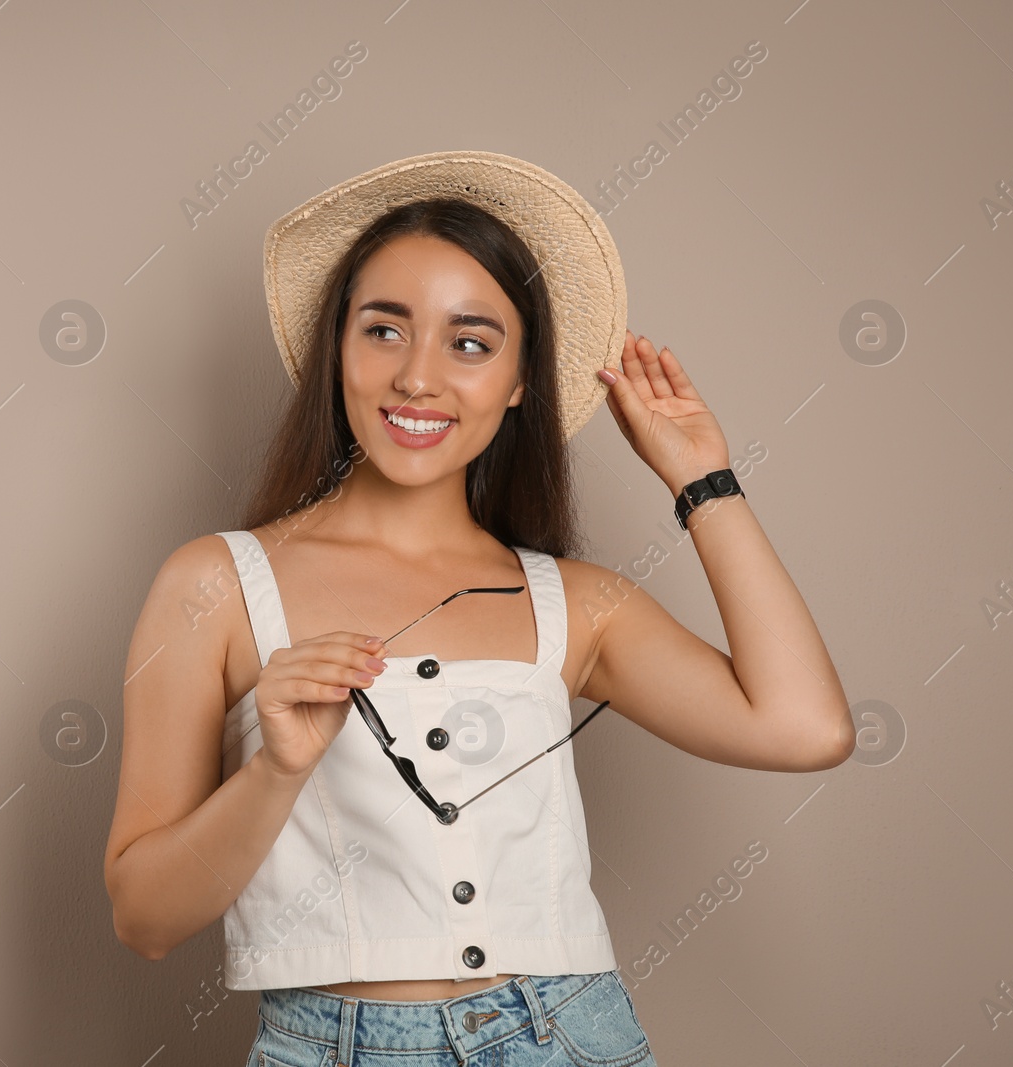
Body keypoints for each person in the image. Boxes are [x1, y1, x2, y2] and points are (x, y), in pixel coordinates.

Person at [104, 151, 854, 1067]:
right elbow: (144, 917)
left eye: (470, 343)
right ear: (337, 347)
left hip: (569, 1037)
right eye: (385, 331)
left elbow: (806, 728)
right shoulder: (213, 585)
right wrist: (275, 770)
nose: (419, 377)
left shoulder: (579, 604)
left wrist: (703, 480)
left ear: (520, 380)